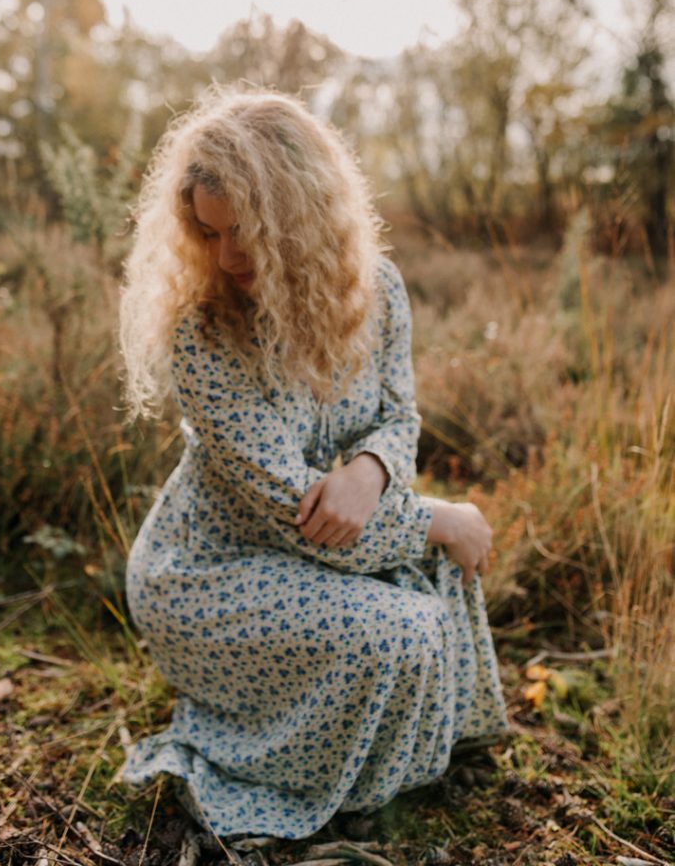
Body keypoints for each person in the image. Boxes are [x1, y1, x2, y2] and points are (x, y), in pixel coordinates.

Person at [118, 84, 508, 841]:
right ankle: (320, 776)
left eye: (247, 232)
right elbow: (296, 514)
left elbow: (399, 415)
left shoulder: (380, 293)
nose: (227, 256)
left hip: (321, 535)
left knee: (428, 588)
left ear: (301, 218)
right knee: (399, 625)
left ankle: (399, 758)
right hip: (209, 573)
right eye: (208, 233)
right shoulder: (204, 336)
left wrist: (370, 470)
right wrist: (438, 516)